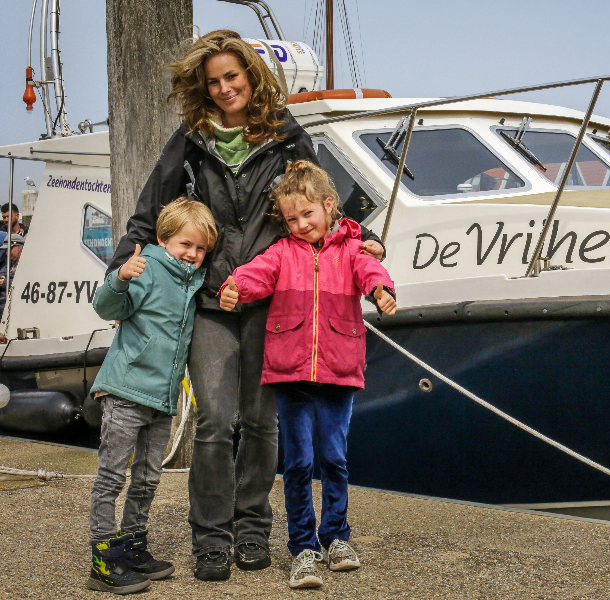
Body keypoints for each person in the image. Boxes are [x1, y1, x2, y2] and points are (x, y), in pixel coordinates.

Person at [105, 29, 385, 581]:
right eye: (213, 81)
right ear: (202, 89)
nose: (224, 87)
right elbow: (148, 209)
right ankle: (211, 537)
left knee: (261, 423)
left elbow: (331, 203)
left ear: (251, 76)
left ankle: (253, 527)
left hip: (276, 301)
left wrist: (367, 245)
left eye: (232, 76)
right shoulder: (190, 139)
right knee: (214, 418)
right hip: (209, 299)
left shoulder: (285, 135)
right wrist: (123, 265)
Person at [219, 160, 396, 589]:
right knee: (298, 463)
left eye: (308, 215)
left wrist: (381, 290)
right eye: (292, 218)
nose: (300, 224)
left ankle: (336, 536)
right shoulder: (282, 252)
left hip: (338, 371)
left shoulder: (353, 249)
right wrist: (236, 286)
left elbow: (370, 270)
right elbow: (257, 273)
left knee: (334, 459)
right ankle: (302, 547)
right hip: (290, 375)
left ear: (329, 206)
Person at [86, 198, 217, 595]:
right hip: (126, 392)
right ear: (163, 239)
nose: (192, 255)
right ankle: (103, 559)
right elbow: (106, 306)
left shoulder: (193, 279)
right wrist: (120, 277)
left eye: (199, 249)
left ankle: (134, 544)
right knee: (111, 477)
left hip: (161, 399)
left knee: (146, 479)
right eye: (184, 245)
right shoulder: (146, 268)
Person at [0, 233, 25, 315]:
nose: (7, 253)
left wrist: (5, 282)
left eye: (10, 249)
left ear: (20, 248)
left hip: (14, 306)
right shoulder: (9, 264)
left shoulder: (26, 265)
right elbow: (1, 275)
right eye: (6, 250)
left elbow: (23, 285)